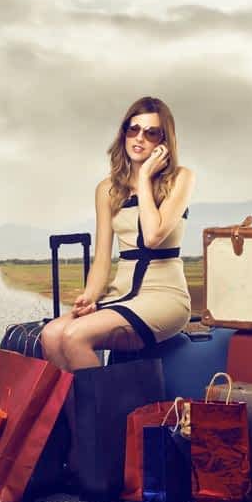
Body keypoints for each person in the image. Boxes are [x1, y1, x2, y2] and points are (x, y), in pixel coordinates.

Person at [40, 96, 194, 371]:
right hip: (121, 293)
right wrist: (89, 297)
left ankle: (104, 415)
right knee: (51, 335)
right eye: (132, 129)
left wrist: (145, 177)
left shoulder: (180, 178)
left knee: (76, 336)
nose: (139, 138)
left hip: (164, 298)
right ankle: (81, 415)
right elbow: (102, 259)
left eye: (151, 133)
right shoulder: (106, 190)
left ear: (164, 141)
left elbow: (153, 236)